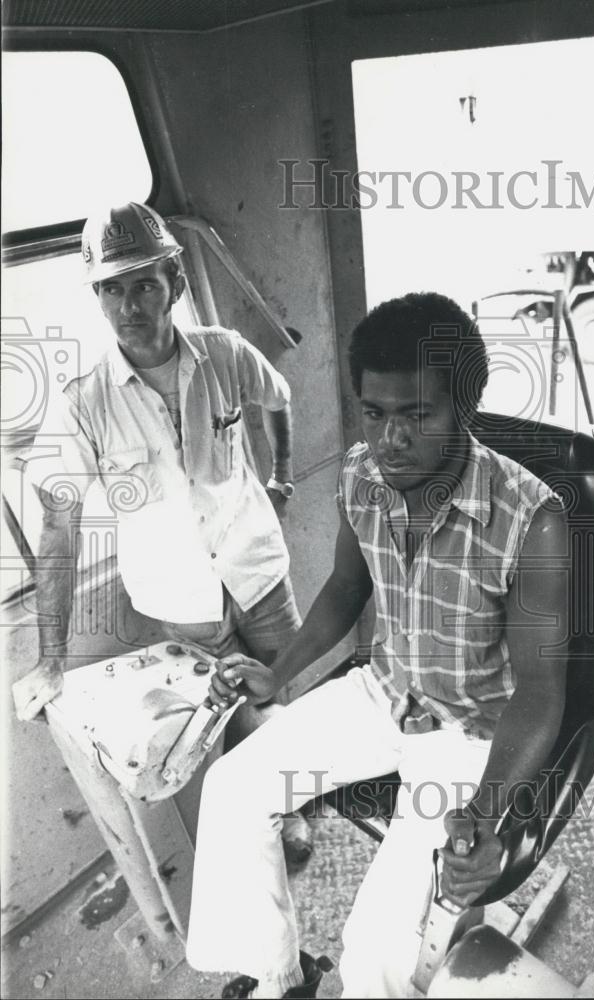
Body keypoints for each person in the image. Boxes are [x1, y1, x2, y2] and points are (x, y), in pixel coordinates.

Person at [185, 291, 570, 999]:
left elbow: (544, 693)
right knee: (232, 787)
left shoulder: (531, 519)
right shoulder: (362, 475)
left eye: (417, 415)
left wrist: (485, 819)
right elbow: (342, 590)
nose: (389, 439)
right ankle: (281, 979)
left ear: (464, 409)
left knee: (376, 953)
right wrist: (278, 673)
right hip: (385, 690)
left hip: (473, 726)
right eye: (375, 412)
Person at [11, 202, 310, 852]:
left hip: (260, 573)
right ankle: (271, 822)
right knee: (223, 719)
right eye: (111, 289)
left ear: (173, 281)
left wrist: (281, 478)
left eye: (143, 282)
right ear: (97, 297)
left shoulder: (226, 354)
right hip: (184, 607)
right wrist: (53, 659)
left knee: (285, 687)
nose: (129, 304)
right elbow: (58, 534)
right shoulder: (82, 406)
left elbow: (277, 402)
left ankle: (300, 797)